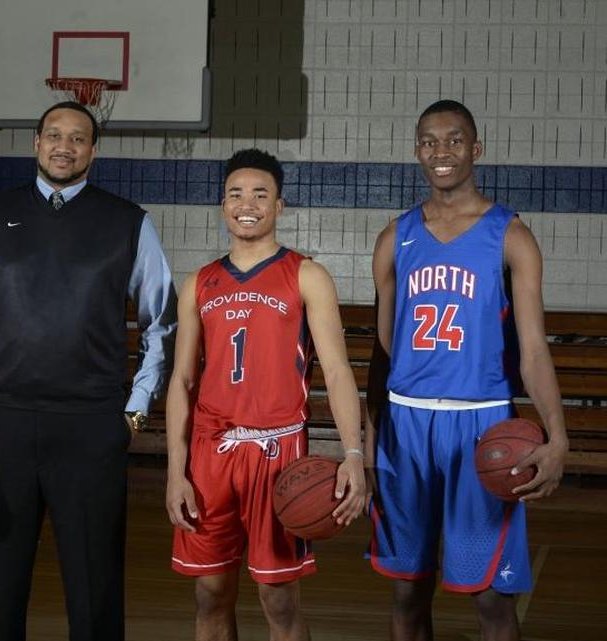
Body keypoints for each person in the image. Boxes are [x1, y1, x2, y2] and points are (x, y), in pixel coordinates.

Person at [0, 101, 176, 641]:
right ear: (35, 142)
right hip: (4, 422)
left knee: (94, 589)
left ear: (93, 151)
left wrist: (133, 414)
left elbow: (161, 324)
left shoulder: (128, 221)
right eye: (54, 134)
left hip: (91, 425)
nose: (64, 146)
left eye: (78, 138)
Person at [367, 99, 569, 641]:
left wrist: (558, 435)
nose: (441, 151)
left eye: (454, 140)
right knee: (408, 589)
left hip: (480, 424)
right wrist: (368, 439)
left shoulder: (511, 236)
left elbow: (532, 350)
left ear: (475, 149)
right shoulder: (395, 237)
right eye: (429, 141)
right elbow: (384, 352)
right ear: (417, 151)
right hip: (406, 428)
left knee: (491, 597)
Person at [165, 149, 367, 641]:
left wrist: (354, 456)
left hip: (278, 452)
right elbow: (182, 381)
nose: (247, 204)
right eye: (235, 194)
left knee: (278, 598)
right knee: (210, 592)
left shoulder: (307, 275)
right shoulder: (199, 283)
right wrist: (175, 471)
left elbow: (339, 373)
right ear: (222, 205)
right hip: (211, 453)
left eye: (260, 193)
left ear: (279, 205)